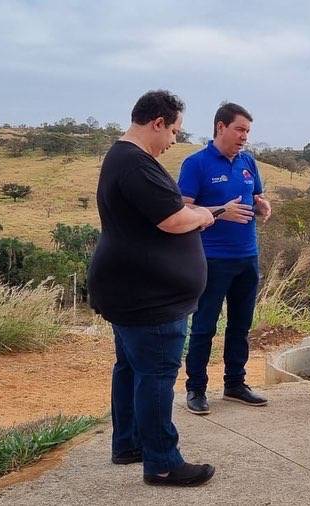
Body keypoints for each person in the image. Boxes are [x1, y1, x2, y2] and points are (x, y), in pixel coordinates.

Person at [88, 90, 216, 487]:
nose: (174, 140)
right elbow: (172, 220)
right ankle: (162, 462)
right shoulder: (136, 164)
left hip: (130, 288)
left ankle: (128, 443)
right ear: (157, 123)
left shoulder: (123, 158)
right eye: (174, 131)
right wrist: (202, 215)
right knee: (157, 375)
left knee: (131, 369)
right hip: (150, 298)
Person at [178, 102, 271, 415]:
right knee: (204, 327)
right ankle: (196, 389)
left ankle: (235, 384)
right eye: (239, 129)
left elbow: (255, 196)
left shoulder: (248, 162)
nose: (245, 136)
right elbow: (182, 208)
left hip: (248, 256)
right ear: (220, 127)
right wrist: (220, 211)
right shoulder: (196, 163)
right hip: (212, 258)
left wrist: (263, 205)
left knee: (241, 325)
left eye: (247, 131)